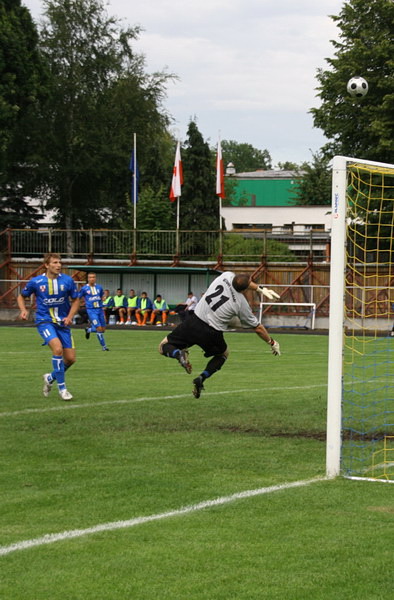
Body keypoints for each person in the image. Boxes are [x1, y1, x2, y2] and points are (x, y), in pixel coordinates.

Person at [159, 272, 280, 398]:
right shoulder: (241, 304)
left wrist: (261, 289)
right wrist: (272, 342)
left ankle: (178, 354)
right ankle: (202, 377)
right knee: (223, 354)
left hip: (194, 321)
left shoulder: (225, 276)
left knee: (163, 346)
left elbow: (243, 281)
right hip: (212, 333)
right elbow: (258, 328)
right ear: (245, 289)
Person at [17, 252, 80, 401]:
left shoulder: (68, 280)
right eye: (55, 263)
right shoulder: (36, 282)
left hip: (62, 323)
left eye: (59, 262)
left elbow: (76, 300)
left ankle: (50, 377)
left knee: (70, 359)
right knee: (57, 349)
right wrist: (23, 310)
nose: (59, 265)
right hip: (44, 321)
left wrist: (70, 317)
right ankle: (62, 389)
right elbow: (21, 296)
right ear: (47, 265)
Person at [78, 272, 109, 351]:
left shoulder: (99, 287)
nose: (92, 279)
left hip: (100, 310)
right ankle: (104, 347)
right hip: (91, 311)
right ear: (88, 279)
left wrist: (103, 298)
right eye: (90, 277)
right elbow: (78, 297)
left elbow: (102, 295)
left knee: (103, 329)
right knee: (99, 328)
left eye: (93, 277)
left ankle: (89, 330)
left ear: (95, 278)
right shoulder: (84, 288)